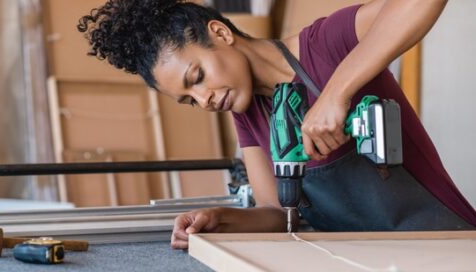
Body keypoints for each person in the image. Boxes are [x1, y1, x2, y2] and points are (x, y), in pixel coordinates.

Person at [77, 0, 476, 249]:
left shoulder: (324, 45)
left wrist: (336, 92)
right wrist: (220, 219)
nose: (204, 101)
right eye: (188, 100)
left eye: (196, 78)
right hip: (359, 261)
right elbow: (276, 211)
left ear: (220, 32)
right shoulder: (247, 114)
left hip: (447, 246)